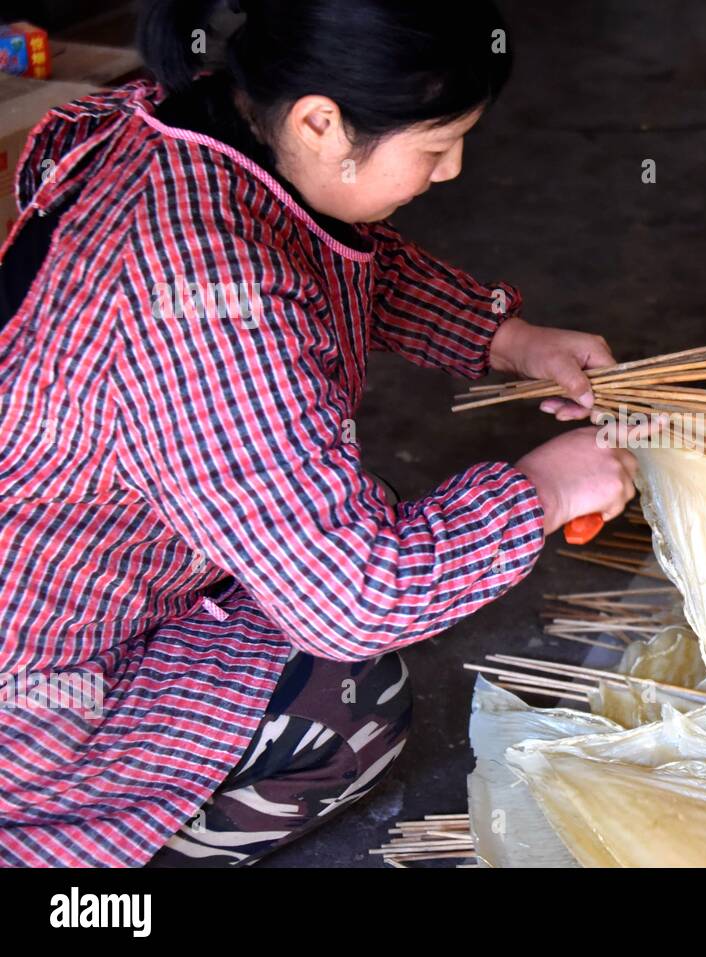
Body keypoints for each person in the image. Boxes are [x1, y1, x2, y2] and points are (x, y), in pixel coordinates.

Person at [0, 0, 638, 866]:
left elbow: (330, 245)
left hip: (89, 571)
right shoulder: (207, 299)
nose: (452, 171)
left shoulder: (196, 125)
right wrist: (549, 488)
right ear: (319, 121)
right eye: (436, 145)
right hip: (39, 684)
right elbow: (356, 594)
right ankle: (70, 849)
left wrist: (506, 338)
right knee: (352, 709)